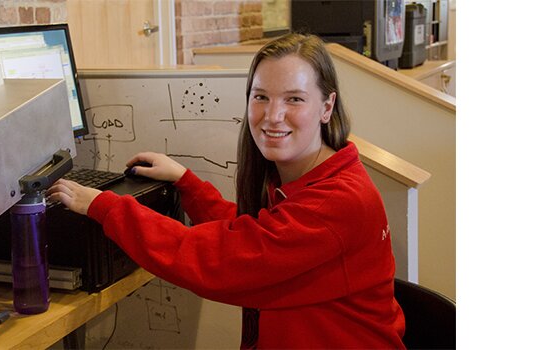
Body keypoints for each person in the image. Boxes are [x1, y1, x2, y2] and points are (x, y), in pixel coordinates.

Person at [47, 33, 405, 349]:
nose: (272, 115)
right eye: (261, 96)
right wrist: (187, 183)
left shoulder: (337, 201)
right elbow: (261, 237)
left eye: (294, 99)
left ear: (327, 107)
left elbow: (219, 261)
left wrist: (106, 207)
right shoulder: (310, 179)